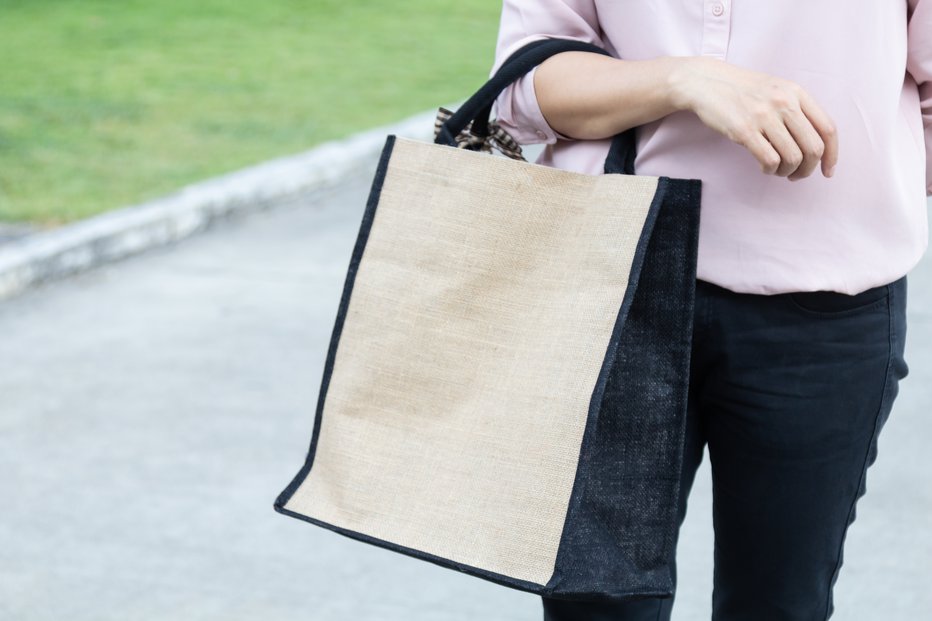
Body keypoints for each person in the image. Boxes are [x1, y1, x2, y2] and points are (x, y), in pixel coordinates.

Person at [489, 2, 931, 620]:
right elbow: (523, 90)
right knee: (595, 607)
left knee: (778, 605)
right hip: (613, 288)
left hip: (825, 309)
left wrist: (881, 183)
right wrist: (687, 78)